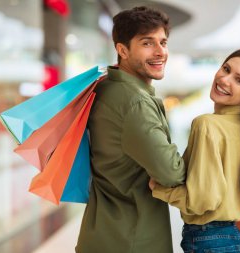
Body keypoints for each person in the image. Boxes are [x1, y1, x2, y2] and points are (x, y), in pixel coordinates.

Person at [76, 6, 186, 253]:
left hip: (102, 233)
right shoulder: (134, 103)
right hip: (132, 240)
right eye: (147, 43)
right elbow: (171, 173)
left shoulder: (107, 87)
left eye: (163, 42)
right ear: (122, 50)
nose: (160, 52)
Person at [150, 48, 240, 253]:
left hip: (209, 240)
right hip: (233, 239)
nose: (225, 79)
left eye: (239, 80)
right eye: (226, 69)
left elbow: (203, 200)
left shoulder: (207, 124)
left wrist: (159, 189)